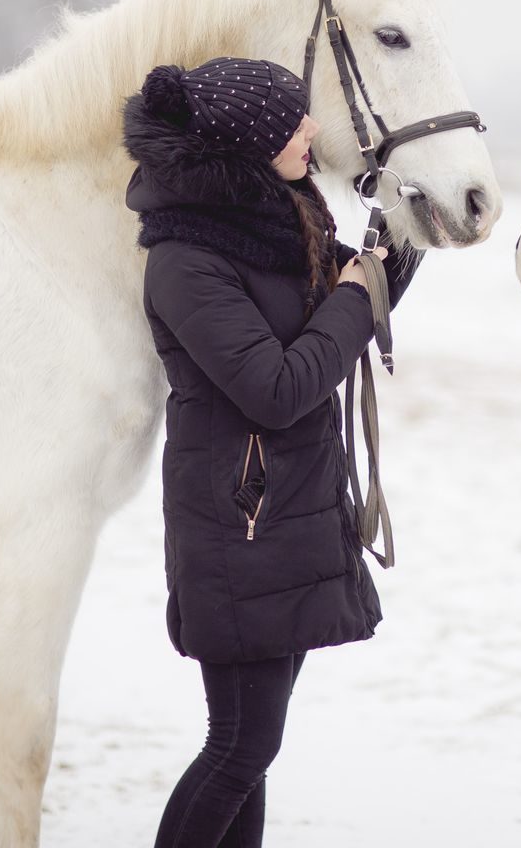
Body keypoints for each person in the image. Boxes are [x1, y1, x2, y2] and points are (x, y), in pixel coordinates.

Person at [122, 56, 415, 848]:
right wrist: (356, 301)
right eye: (294, 121)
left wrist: (390, 267)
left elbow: (309, 321)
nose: (313, 129)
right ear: (249, 145)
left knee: (251, 753)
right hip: (238, 525)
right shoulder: (187, 259)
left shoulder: (270, 220)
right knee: (239, 746)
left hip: (286, 511)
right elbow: (279, 388)